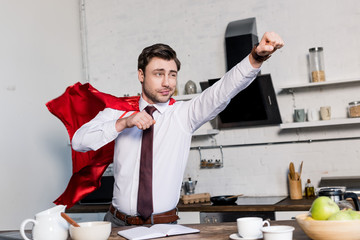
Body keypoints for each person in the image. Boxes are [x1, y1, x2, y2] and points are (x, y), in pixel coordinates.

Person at [71, 32, 284, 226]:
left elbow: (222, 90)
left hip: (164, 226)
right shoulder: (118, 113)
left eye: (172, 74)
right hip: (117, 224)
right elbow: (78, 142)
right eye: (158, 73)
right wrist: (123, 123)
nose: (167, 82)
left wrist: (256, 57)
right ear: (141, 75)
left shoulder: (184, 115)